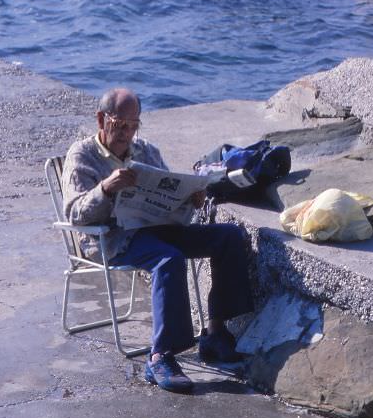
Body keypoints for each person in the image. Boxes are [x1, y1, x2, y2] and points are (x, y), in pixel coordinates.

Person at [62, 87, 253, 394]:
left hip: (154, 228)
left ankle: (216, 334)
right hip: (111, 239)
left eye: (134, 125)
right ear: (101, 119)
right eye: (120, 124)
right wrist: (105, 190)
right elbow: (74, 215)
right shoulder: (82, 155)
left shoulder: (146, 151)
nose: (127, 133)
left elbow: (168, 199)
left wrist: (191, 199)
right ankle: (160, 355)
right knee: (169, 259)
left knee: (228, 237)